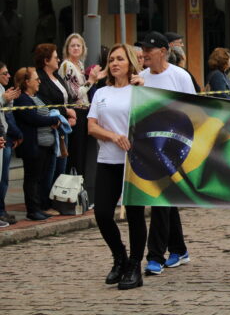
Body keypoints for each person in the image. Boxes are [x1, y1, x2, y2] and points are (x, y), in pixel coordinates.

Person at [134, 31, 195, 275]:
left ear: (163, 51)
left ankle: (155, 256)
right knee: (165, 201)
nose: (145, 53)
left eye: (149, 49)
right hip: (148, 146)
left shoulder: (179, 76)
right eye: (143, 50)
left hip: (173, 147)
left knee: (161, 201)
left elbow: (193, 110)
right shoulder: (140, 78)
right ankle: (179, 249)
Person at [87, 44, 146, 290]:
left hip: (133, 162)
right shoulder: (102, 93)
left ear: (130, 62)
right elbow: (91, 126)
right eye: (111, 59)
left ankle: (134, 266)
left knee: (134, 215)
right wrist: (113, 136)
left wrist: (144, 91)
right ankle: (119, 256)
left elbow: (152, 118)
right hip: (108, 160)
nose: (114, 63)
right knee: (102, 213)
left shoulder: (139, 91)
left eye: (120, 59)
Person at [13, 67, 61, 221]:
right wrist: (53, 120)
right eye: (36, 79)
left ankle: (39, 207)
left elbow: (45, 112)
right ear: (27, 82)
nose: (39, 81)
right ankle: (33, 210)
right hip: (32, 145)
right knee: (32, 179)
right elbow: (34, 119)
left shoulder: (35, 97)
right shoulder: (22, 99)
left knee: (39, 177)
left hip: (44, 144)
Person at [35, 43, 76, 214]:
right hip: (51, 128)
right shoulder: (40, 79)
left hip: (63, 127)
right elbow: (46, 104)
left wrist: (71, 114)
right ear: (46, 60)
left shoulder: (57, 77)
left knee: (61, 165)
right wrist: (66, 111)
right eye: (55, 57)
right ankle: (45, 203)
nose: (58, 59)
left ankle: (57, 200)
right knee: (49, 168)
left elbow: (65, 98)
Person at [59, 33, 101, 177]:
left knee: (83, 153)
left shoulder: (80, 64)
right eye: (73, 45)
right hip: (75, 112)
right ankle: (73, 188)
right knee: (76, 153)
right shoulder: (66, 65)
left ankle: (80, 187)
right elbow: (74, 94)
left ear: (83, 48)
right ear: (67, 48)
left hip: (85, 111)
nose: (76, 48)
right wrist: (91, 81)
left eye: (79, 45)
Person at [0, 62, 21, 224]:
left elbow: (7, 115)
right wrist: (3, 99)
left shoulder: (2, 89)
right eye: (4, 73)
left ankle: (2, 210)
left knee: (4, 178)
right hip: (1, 139)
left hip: (4, 137)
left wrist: (9, 100)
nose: (9, 76)